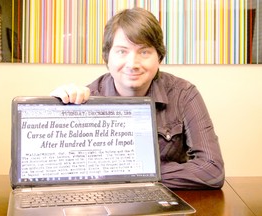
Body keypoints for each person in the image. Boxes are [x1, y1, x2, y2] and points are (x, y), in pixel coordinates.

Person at [51, 7, 224, 189]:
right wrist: (57, 111)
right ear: (107, 57)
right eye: (122, 51)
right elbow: (64, 173)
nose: (132, 64)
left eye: (144, 52)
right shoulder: (85, 100)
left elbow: (212, 170)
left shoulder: (183, 94)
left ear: (159, 57)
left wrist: (130, 174)